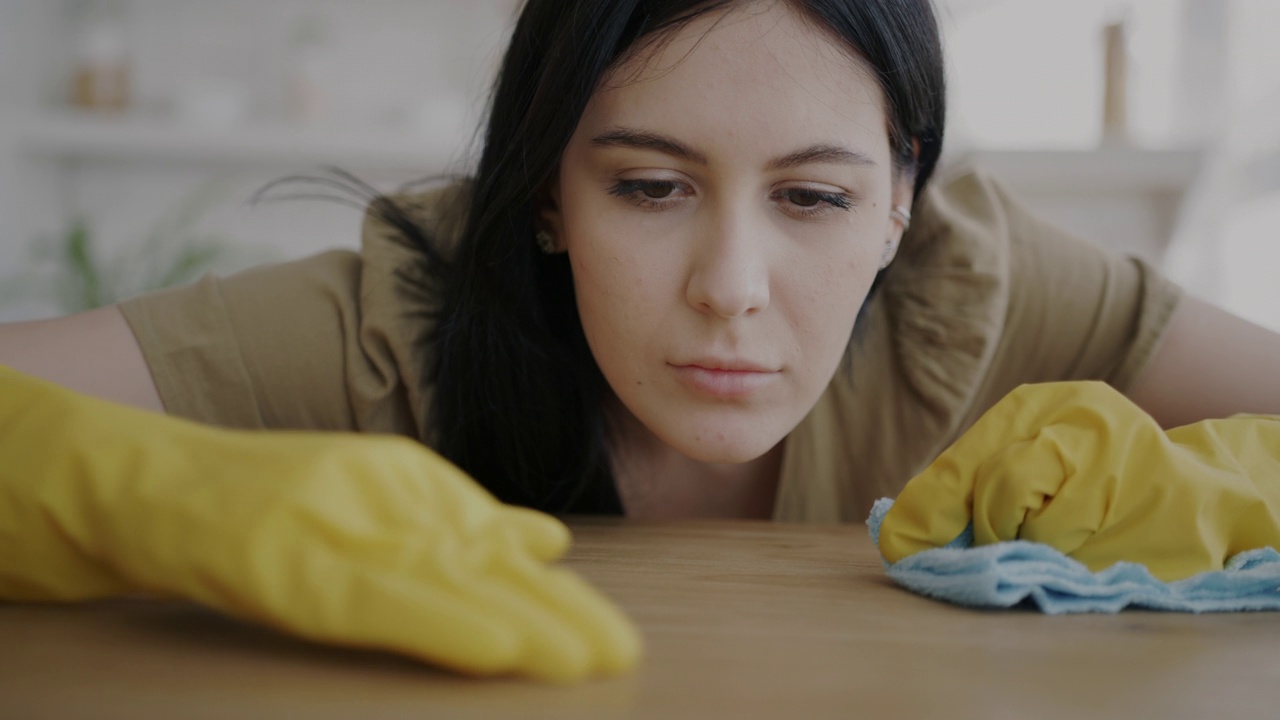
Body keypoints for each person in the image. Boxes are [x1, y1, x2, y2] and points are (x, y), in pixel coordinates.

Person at [4, 0, 1280, 680]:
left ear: (899, 203)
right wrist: (141, 496)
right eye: (649, 187)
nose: (729, 287)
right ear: (550, 194)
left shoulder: (977, 285)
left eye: (813, 198)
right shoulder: (403, 313)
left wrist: (1219, 484)